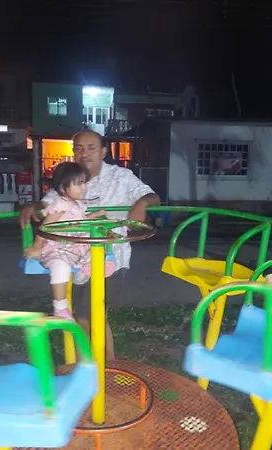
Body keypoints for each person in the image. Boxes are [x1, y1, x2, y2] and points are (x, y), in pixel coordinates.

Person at [20, 130, 160, 360]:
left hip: (110, 258)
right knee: (89, 313)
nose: (84, 153)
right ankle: (103, 364)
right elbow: (49, 205)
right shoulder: (68, 178)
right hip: (73, 257)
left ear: (103, 152)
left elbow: (151, 196)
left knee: (88, 314)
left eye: (91, 148)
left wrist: (142, 204)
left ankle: (90, 367)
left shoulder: (121, 177)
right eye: (78, 148)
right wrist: (33, 206)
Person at [24, 162, 114, 320]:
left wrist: (92, 216)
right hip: (58, 248)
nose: (84, 188)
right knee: (61, 267)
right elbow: (46, 227)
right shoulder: (60, 204)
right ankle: (60, 307)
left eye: (84, 183)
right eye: (78, 184)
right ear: (63, 187)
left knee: (96, 250)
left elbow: (76, 222)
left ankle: (92, 265)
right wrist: (37, 246)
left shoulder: (76, 204)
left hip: (74, 246)